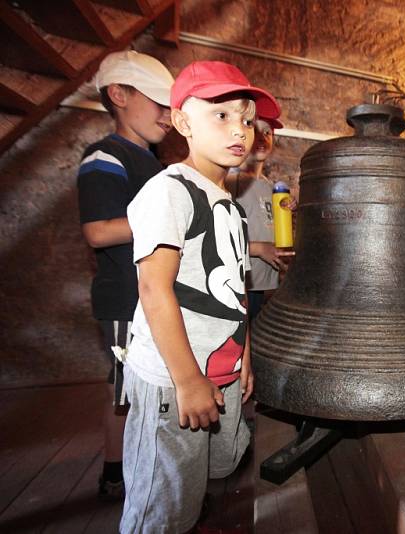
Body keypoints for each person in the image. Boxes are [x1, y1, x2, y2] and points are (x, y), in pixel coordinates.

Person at [121, 61, 282, 532]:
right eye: (222, 115)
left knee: (196, 486)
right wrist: (188, 380)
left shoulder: (228, 203)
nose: (240, 130)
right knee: (162, 502)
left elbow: (234, 290)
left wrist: (244, 354)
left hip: (219, 368)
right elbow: (154, 289)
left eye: (248, 119)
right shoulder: (170, 191)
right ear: (183, 122)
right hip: (175, 379)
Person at [76, 50, 174, 500]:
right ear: (119, 95)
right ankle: (116, 476)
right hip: (125, 300)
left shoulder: (154, 163)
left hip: (154, 296)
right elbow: (98, 231)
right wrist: (173, 220)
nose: (169, 116)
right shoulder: (106, 156)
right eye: (159, 103)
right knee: (125, 391)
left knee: (150, 387)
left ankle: (149, 467)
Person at [226, 117, 295, 320]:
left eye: (268, 132)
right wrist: (259, 248)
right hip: (241, 284)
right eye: (256, 131)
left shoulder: (270, 187)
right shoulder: (230, 181)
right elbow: (216, 237)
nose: (262, 138)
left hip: (266, 285)